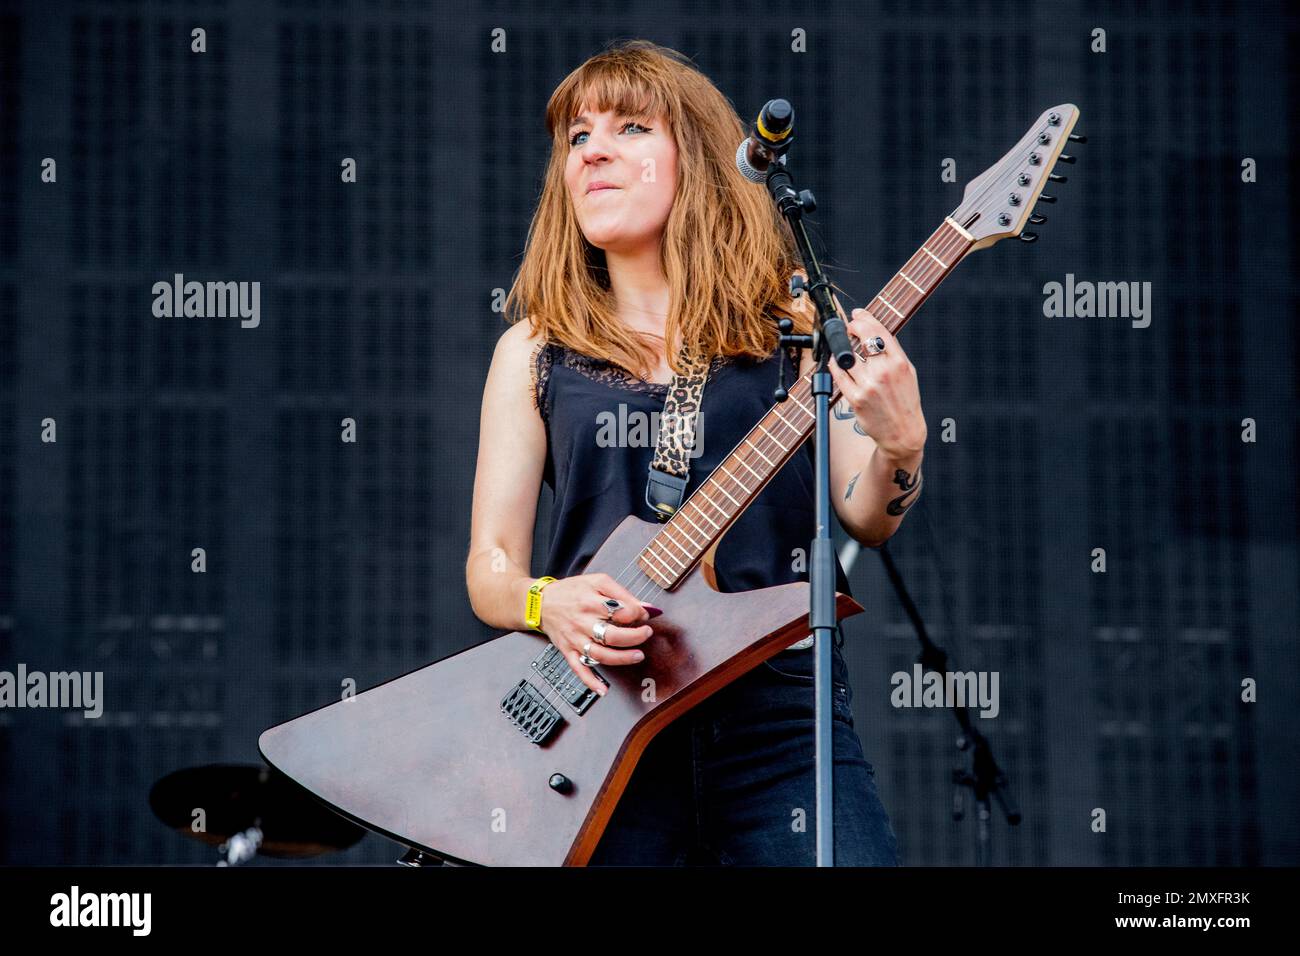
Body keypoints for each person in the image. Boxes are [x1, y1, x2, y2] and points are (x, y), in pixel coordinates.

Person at [466, 40, 926, 866]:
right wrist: (547, 603)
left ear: (703, 160)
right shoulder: (535, 350)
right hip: (604, 723)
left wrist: (901, 443)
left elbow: (866, 513)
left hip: (780, 720)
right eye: (577, 138)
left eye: (632, 127)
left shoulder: (796, 329)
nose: (594, 150)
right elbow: (490, 568)